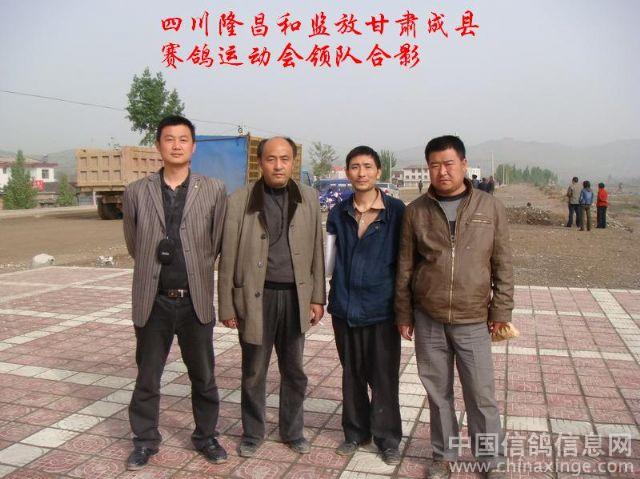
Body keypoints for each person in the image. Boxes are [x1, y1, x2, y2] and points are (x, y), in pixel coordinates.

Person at [395, 135, 513, 479]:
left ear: (463, 164)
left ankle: (491, 459)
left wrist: (501, 311)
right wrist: (403, 313)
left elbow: (503, 264)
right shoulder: (416, 210)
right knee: (438, 394)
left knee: (481, 394)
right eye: (434, 165)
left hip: (473, 318)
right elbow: (405, 266)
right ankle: (444, 456)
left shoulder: (490, 208)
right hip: (429, 318)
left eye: (448, 164)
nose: (442, 171)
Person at [122, 115, 228, 470]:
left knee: (204, 376)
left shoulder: (213, 190)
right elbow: (135, 243)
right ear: (158, 146)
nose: (176, 145)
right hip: (153, 301)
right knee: (147, 376)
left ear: (193, 147)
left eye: (183, 139)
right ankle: (144, 440)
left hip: (195, 300)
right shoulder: (136, 191)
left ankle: (206, 436)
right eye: (169, 139)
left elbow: (216, 242)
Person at [218, 137, 325, 458]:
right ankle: (253, 432)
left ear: (293, 162)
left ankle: (293, 431)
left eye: (285, 159)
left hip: (295, 297)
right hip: (256, 299)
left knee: (295, 371)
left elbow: (317, 251)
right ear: (260, 162)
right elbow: (227, 255)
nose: (278, 166)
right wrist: (227, 304)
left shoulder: (308, 197)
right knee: (254, 371)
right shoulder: (240, 200)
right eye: (271, 159)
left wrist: (317, 297)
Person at [326, 146, 405, 465]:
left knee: (384, 377)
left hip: (382, 309)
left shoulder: (396, 211)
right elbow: (329, 259)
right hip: (344, 307)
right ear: (347, 172)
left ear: (378, 172)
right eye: (355, 167)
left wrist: (405, 308)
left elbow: (406, 261)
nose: (361, 173)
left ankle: (388, 439)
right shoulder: (339, 212)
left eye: (368, 166)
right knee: (352, 375)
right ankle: (356, 433)